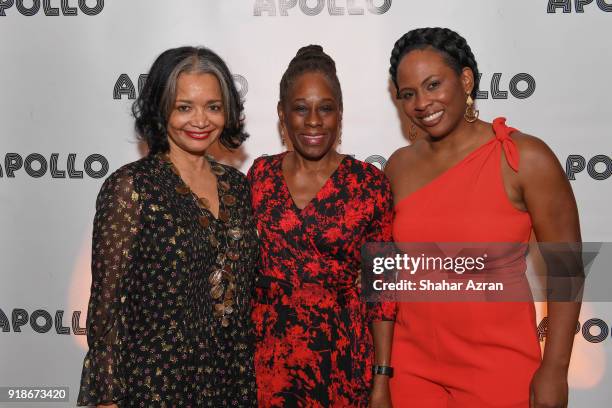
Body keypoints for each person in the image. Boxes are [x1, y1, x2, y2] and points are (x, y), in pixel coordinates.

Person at [370, 28, 582, 408]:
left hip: (498, 366)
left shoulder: (524, 158)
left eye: (433, 84)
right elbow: (384, 273)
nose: (422, 103)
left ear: (465, 80)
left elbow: (567, 270)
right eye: (408, 94)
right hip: (411, 369)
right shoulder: (398, 167)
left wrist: (555, 369)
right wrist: (382, 375)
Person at [77, 46, 258, 407]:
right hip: (154, 384)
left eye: (213, 106)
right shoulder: (132, 187)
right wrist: (107, 398)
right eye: (184, 107)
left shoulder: (237, 186)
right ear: (161, 109)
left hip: (228, 381)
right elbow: (107, 307)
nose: (200, 120)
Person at [248, 45, 395, 407]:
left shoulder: (369, 184)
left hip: (343, 368)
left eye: (325, 108)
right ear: (282, 115)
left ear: (340, 115)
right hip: (266, 369)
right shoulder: (259, 177)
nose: (314, 121)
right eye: (300, 108)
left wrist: (381, 379)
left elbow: (383, 294)